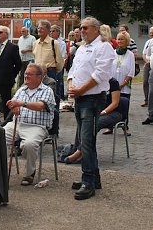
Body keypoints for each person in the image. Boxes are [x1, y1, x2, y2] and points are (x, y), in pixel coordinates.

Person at [67, 16, 115, 201]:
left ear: (96, 29)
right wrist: (71, 84)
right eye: (81, 27)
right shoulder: (81, 48)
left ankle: (88, 181)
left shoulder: (104, 47)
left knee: (86, 140)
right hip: (79, 98)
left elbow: (100, 74)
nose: (82, 30)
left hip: (92, 99)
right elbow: (73, 69)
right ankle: (93, 178)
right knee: (86, 140)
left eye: (85, 27)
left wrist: (81, 90)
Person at [3, 63, 55, 186]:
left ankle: (29, 173)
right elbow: (13, 104)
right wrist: (13, 107)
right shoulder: (21, 89)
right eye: (25, 73)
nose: (25, 76)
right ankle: (0, 170)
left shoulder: (47, 90)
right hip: (18, 123)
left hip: (37, 127)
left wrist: (22, 104)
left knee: (29, 144)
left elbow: (40, 106)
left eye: (29, 74)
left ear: (39, 77)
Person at [0, 26, 22, 116]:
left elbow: (18, 64)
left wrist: (11, 75)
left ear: (7, 34)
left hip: (6, 80)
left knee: (6, 102)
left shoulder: (13, 47)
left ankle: (7, 122)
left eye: (1, 32)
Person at [33, 20, 65, 105]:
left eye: (42, 28)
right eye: (38, 28)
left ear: (48, 30)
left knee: (53, 97)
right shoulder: (35, 43)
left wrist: (53, 72)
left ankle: (55, 117)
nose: (39, 30)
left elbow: (60, 61)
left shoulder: (54, 43)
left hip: (50, 73)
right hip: (38, 74)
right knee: (38, 97)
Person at [110, 30, 135, 125]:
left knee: (124, 106)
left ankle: (125, 125)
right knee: (112, 105)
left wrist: (122, 84)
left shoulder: (130, 55)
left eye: (122, 39)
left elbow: (131, 72)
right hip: (112, 86)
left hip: (124, 86)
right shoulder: (112, 53)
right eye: (118, 39)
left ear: (127, 41)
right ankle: (110, 126)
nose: (120, 41)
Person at [140, 26, 153, 107]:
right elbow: (144, 53)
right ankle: (146, 100)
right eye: (150, 33)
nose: (151, 34)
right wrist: (146, 61)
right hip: (147, 64)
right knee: (145, 82)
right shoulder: (148, 42)